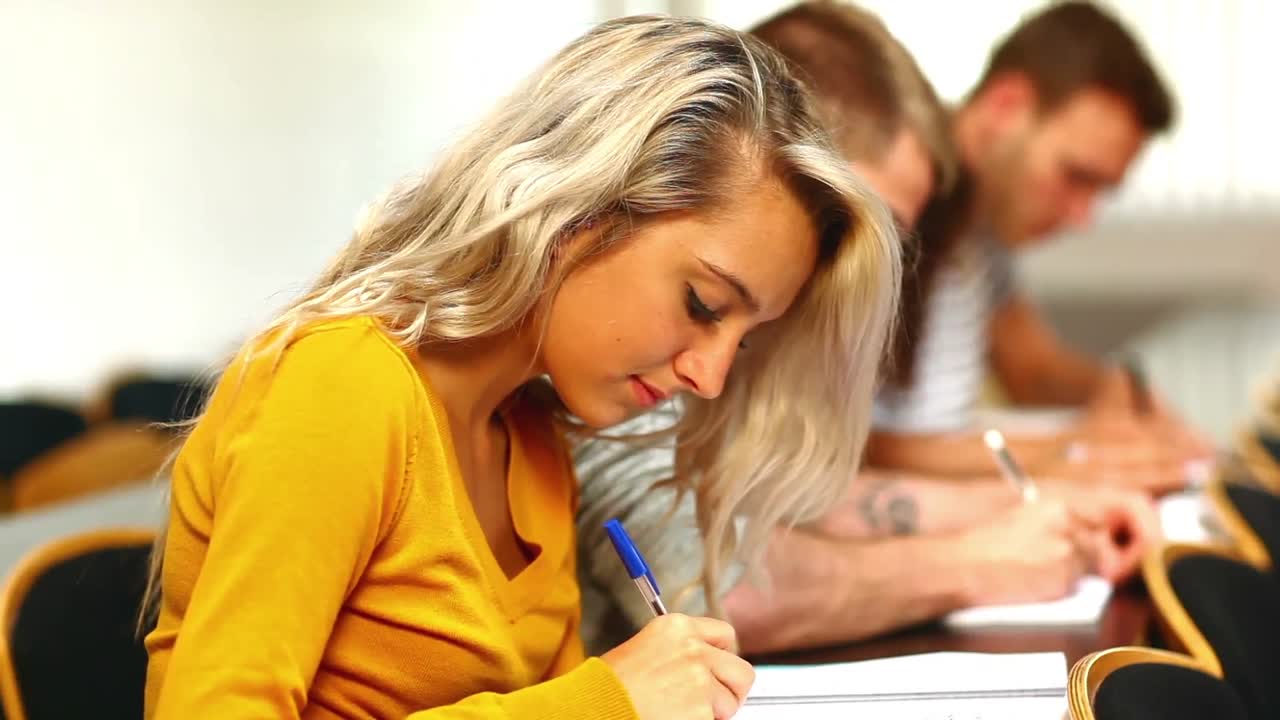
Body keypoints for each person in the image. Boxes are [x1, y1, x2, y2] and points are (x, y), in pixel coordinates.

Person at [141, 14, 902, 720]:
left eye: (747, 338)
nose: (711, 376)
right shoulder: (342, 384)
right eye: (703, 304)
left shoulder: (534, 442)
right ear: (580, 213)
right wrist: (604, 702)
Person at [576, 0, 1160, 657]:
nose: (867, 278)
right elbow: (706, 588)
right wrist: (972, 564)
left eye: (890, 248)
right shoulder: (636, 332)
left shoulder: (733, 328)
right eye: (850, 228)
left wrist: (1039, 506)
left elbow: (783, 500)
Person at [871, 0, 1209, 493]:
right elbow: (842, 448)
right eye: (1076, 176)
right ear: (1007, 105)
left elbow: (1032, 369)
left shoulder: (986, 220)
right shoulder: (901, 199)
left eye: (1100, 191)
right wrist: (1070, 450)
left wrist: (1111, 390)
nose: (1082, 216)